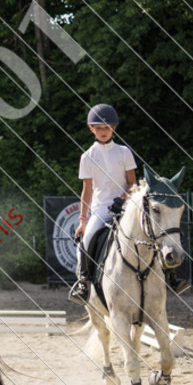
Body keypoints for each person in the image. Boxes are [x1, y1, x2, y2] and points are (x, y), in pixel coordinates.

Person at [70, 104, 138, 303]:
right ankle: (83, 283)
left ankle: (170, 276)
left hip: (126, 206)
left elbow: (132, 183)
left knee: (150, 230)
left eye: (106, 128)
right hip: (101, 209)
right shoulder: (87, 157)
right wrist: (83, 220)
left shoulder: (124, 152)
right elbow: (87, 190)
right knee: (87, 239)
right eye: (98, 128)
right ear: (91, 129)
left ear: (114, 128)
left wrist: (122, 199)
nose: (102, 132)